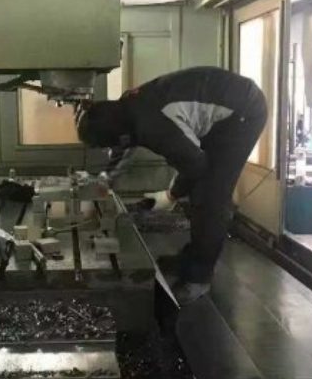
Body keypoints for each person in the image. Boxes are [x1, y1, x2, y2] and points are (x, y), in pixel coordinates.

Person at [76, 66, 268, 305]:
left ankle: (198, 278)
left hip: (242, 112)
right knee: (199, 190)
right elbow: (124, 145)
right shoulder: (126, 108)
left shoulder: (154, 126)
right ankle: (190, 259)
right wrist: (105, 181)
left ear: (118, 134)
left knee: (210, 196)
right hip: (225, 101)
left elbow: (196, 165)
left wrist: (171, 194)